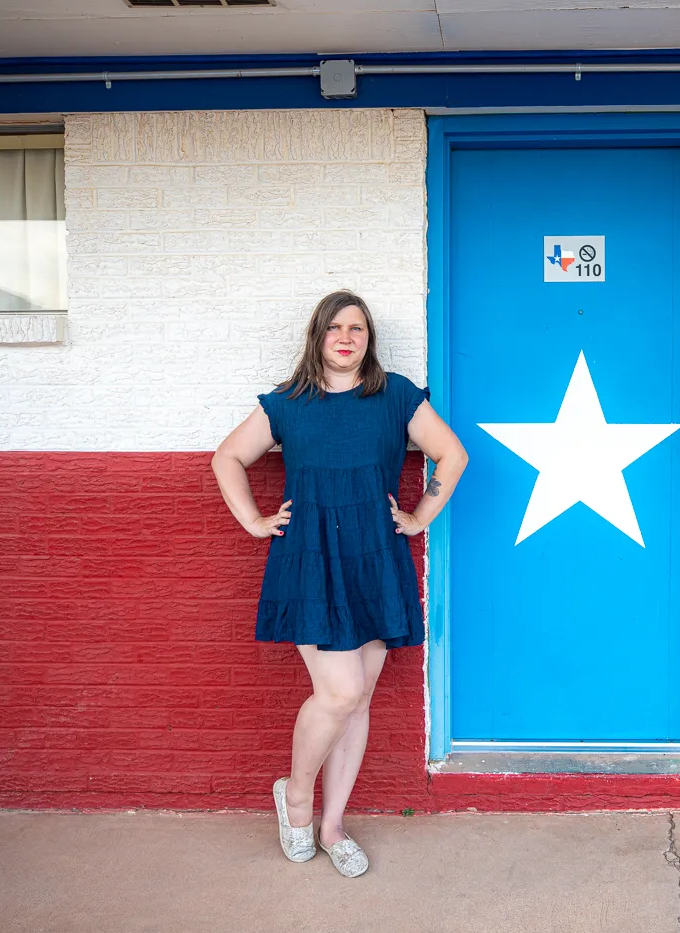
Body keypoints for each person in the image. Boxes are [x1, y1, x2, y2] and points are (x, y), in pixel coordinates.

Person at [211, 290, 467, 878]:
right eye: (335, 328)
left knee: (357, 702)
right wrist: (254, 520)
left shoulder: (395, 395)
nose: (347, 337)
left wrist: (418, 517)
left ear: (368, 339)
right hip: (310, 559)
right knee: (340, 691)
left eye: (357, 328)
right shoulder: (287, 404)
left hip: (374, 559)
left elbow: (452, 455)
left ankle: (331, 825)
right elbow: (228, 458)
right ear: (318, 337)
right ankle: (295, 796)